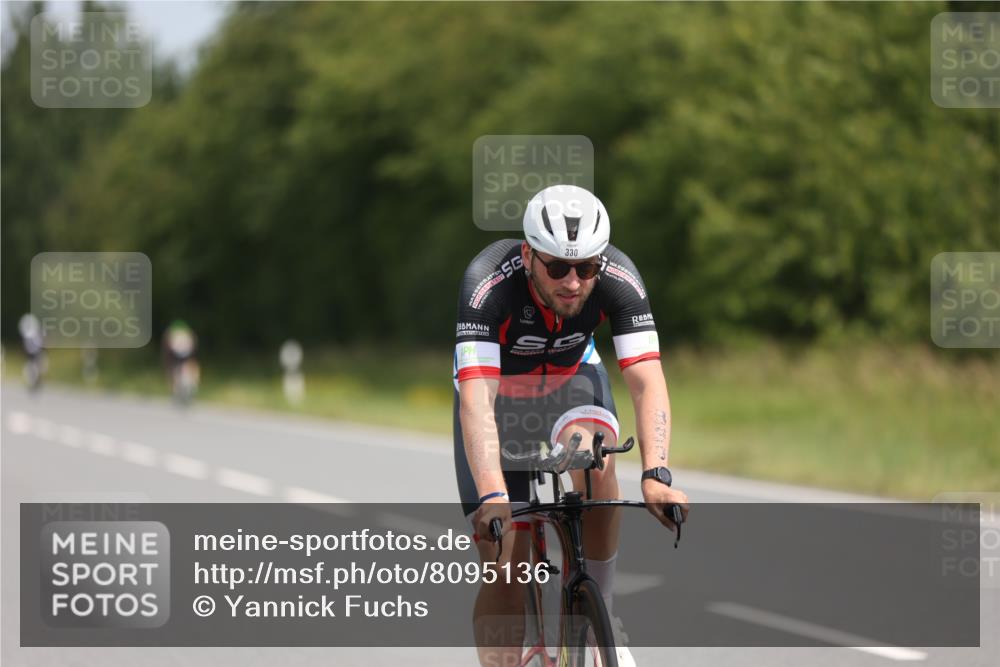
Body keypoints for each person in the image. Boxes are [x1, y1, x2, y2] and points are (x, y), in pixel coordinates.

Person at [453, 184, 690, 667]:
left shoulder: (619, 277)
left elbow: (646, 379)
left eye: (586, 268)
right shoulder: (487, 282)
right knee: (506, 567)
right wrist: (494, 495)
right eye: (557, 267)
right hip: (499, 398)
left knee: (595, 452)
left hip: (571, 381)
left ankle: (600, 611)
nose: (573, 282)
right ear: (527, 256)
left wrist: (657, 474)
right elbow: (477, 401)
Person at [162, 319, 200, 403]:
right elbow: (194, 343)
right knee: (191, 365)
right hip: (187, 351)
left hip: (175, 352)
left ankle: (175, 392)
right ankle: (193, 385)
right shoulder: (187, 332)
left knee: (172, 370)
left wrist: (167, 359)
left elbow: (167, 346)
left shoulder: (171, 332)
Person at [19, 313, 46, 392]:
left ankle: (38, 382)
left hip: (37, 354)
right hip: (31, 355)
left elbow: (40, 346)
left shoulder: (36, 335)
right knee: (31, 369)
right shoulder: (28, 335)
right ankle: (34, 382)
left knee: (39, 368)